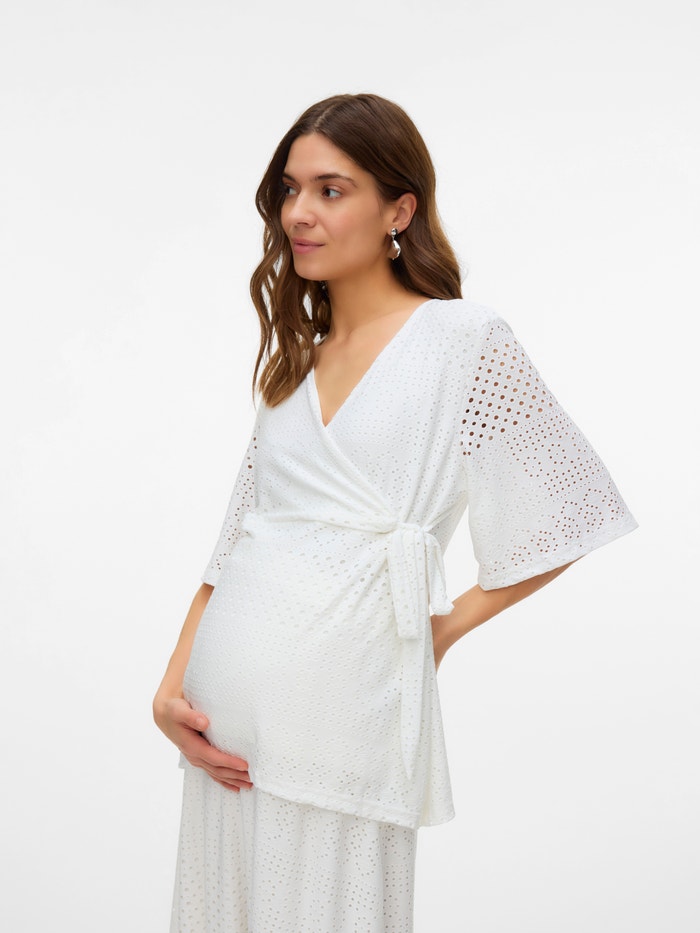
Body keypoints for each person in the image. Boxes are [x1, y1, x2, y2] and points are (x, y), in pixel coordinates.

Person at [153, 93, 637, 932]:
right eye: (290, 189)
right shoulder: (293, 367)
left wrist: (441, 631)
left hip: (350, 709)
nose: (298, 213)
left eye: (331, 190)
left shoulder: (462, 339)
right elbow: (236, 544)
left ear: (399, 211)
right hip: (223, 727)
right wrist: (171, 685)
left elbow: (574, 503)